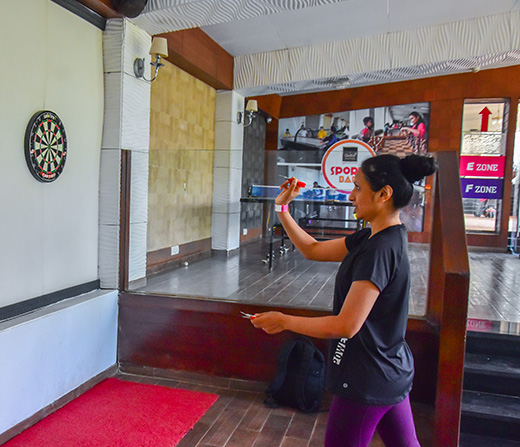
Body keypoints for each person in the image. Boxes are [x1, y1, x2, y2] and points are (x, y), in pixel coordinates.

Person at [250, 154, 437, 447]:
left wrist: (285, 321)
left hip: (367, 377)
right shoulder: (373, 239)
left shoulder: (380, 250)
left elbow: (347, 325)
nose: (351, 195)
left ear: (384, 194)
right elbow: (312, 249)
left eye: (358, 188)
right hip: (389, 371)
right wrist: (282, 208)